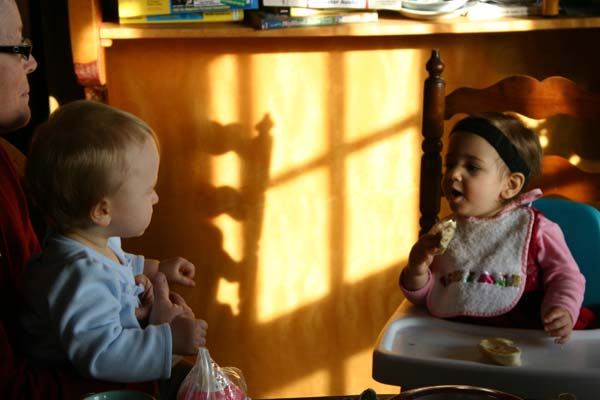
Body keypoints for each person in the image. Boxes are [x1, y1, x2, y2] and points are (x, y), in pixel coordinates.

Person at [20, 99, 207, 384]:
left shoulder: (89, 243)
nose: (156, 198)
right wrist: (170, 339)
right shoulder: (80, 276)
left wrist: (157, 269)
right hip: (85, 387)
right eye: (149, 190)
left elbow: (118, 263)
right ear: (102, 211)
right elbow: (103, 354)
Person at [399, 113, 587, 344]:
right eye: (450, 164)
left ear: (510, 185)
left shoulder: (535, 230)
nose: (453, 174)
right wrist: (417, 270)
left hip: (526, 338)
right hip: (457, 344)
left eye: (472, 166)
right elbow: (428, 298)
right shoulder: (445, 232)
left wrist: (562, 309)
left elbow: (567, 277)